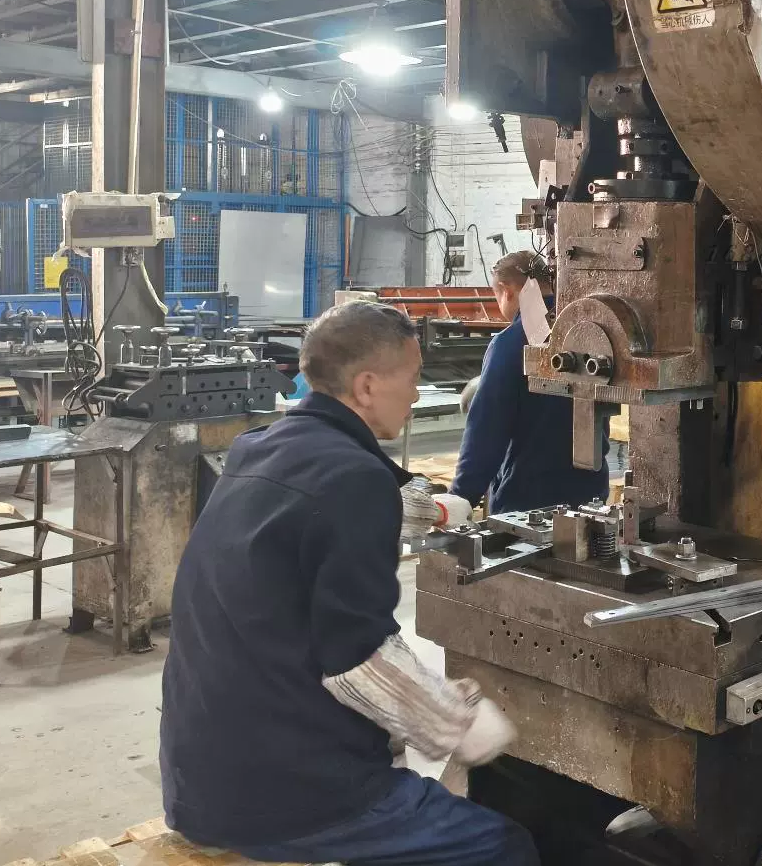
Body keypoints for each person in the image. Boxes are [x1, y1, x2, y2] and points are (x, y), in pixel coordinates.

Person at [160, 301, 538, 866]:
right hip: (283, 795)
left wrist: (437, 511)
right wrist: (458, 725)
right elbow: (359, 661)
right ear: (366, 386)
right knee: (502, 846)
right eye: (411, 379)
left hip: (201, 775)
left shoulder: (261, 448)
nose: (416, 394)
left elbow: (327, 511)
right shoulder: (353, 479)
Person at [451, 252, 608, 512]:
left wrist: (461, 497)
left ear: (506, 291)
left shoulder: (508, 344)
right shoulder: (588, 333)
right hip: (591, 497)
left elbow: (487, 432)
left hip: (528, 501)